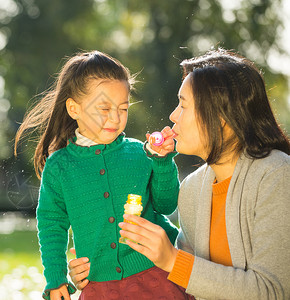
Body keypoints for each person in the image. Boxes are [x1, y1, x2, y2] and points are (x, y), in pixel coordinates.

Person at [68, 48, 290, 299]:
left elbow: (275, 291)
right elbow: (186, 284)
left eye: (183, 105)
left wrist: (173, 261)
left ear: (221, 117)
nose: (173, 115)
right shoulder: (194, 188)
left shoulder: (276, 176)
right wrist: (96, 268)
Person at [14, 51, 192, 299]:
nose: (116, 117)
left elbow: (166, 203)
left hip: (157, 278)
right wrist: (56, 279)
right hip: (100, 287)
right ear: (74, 108)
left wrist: (162, 162)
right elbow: (51, 225)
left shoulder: (140, 152)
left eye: (123, 108)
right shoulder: (60, 167)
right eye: (104, 108)